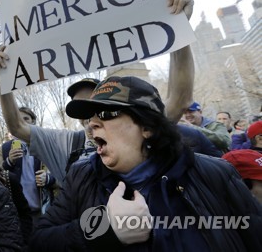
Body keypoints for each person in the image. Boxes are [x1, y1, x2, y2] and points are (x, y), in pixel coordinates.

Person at [0, 0, 195, 183]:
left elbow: (179, 99)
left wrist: (179, 28)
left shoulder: (136, 132)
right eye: (84, 110)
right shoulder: (67, 143)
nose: (92, 120)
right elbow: (17, 126)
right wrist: (4, 82)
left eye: (98, 108)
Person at [30, 76, 262, 251]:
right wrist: (104, 230)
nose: (92, 125)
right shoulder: (82, 176)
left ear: (148, 127)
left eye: (106, 114)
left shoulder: (215, 173)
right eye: (90, 117)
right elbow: (39, 241)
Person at [2, 106, 57, 220]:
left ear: (33, 122)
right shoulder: (6, 147)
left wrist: (48, 178)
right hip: (17, 211)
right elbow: (0, 175)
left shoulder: (46, 144)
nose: (21, 122)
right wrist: (9, 161)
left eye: (26, 119)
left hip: (43, 209)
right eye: (18, 119)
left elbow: (60, 173)